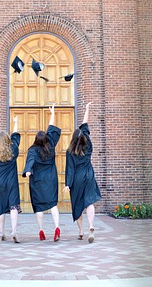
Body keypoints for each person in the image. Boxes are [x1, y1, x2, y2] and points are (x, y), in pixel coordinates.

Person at [63, 102, 101, 243]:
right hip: (89, 175)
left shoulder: (70, 152)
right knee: (89, 202)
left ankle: (81, 231)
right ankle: (91, 226)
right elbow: (85, 124)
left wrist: (68, 184)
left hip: (77, 178)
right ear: (84, 137)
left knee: (78, 204)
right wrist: (87, 109)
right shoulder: (88, 145)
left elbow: (70, 169)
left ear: (73, 139)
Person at [22, 104, 61, 242]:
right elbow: (51, 129)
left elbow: (31, 160)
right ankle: (57, 228)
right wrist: (52, 114)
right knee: (53, 205)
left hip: (37, 181)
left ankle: (41, 231)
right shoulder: (50, 145)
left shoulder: (33, 150)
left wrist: (27, 171)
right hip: (50, 180)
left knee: (39, 207)